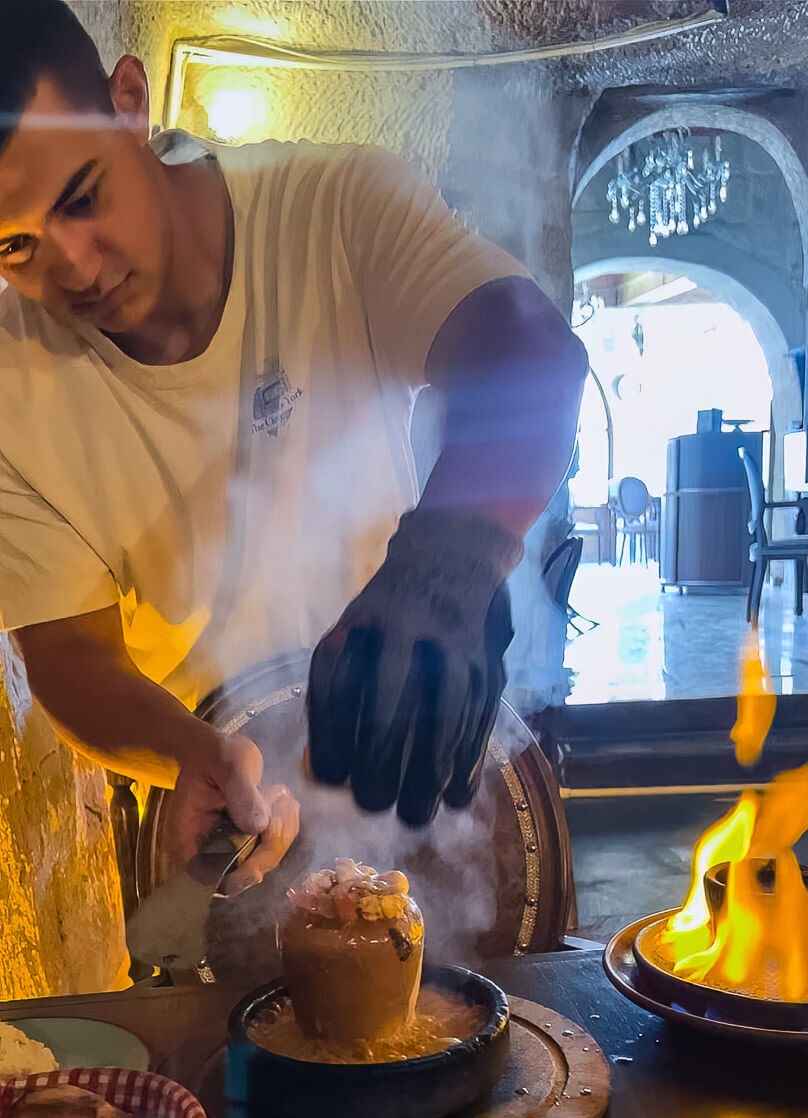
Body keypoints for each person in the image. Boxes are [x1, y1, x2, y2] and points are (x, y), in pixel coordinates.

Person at [0, 0, 587, 894]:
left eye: (83, 196)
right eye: (16, 244)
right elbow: (70, 655)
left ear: (128, 101)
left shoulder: (333, 209)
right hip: (230, 815)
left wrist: (449, 566)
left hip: (413, 742)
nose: (74, 265)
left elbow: (531, 356)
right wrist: (189, 752)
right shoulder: (11, 382)